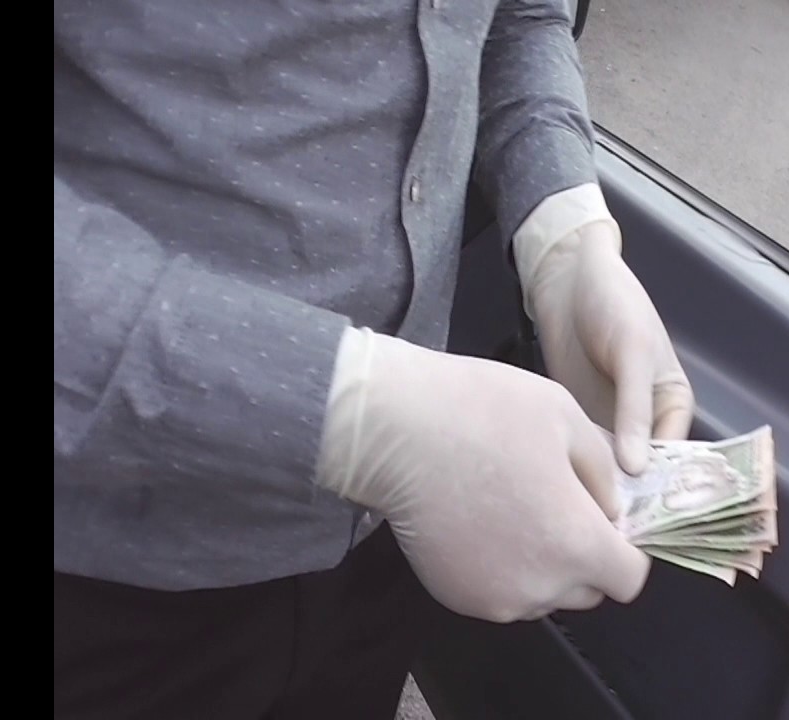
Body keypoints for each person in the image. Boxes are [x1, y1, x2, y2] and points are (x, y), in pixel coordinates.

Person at [53, 0, 695, 717]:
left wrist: (562, 227)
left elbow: (518, 15)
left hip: (390, 539)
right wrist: (361, 419)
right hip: (106, 566)